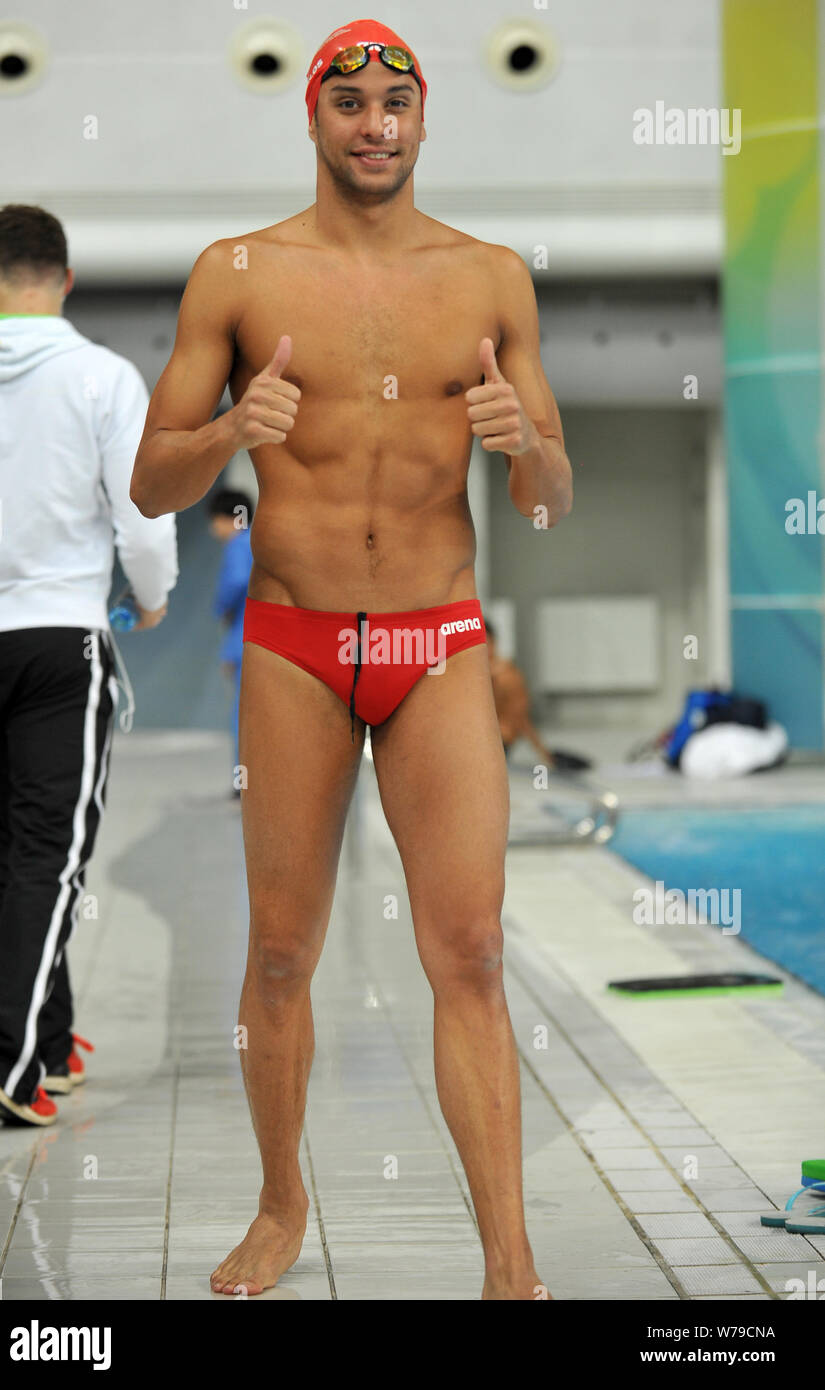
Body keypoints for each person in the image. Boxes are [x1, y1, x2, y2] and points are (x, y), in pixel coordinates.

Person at [130, 19, 572, 1300]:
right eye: (349, 103)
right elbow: (153, 483)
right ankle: (280, 1207)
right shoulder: (237, 272)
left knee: (471, 952)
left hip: (438, 644)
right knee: (279, 953)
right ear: (311, 121)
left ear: (424, 121)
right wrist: (226, 429)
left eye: (395, 103)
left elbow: (550, 498)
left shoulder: (492, 278)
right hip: (293, 646)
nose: (373, 124)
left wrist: (524, 449)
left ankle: (510, 1261)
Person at [0, 204, 178, 1127]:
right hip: (59, 641)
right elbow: (141, 505)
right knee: (51, 852)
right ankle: (5, 1061)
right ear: (68, 280)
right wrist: (153, 590)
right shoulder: (101, 377)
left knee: (14, 844)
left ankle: (51, 1043)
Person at [207, 488, 254, 780]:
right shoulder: (260, 542)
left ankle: (243, 783)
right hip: (265, 638)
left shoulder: (239, 544)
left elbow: (236, 580)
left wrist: (221, 607)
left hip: (244, 640)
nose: (212, 528)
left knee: (243, 714)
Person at [484, 619, 556, 768]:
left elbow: (520, 717)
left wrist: (542, 751)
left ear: (492, 642)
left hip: (500, 739)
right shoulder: (486, 673)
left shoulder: (508, 676)